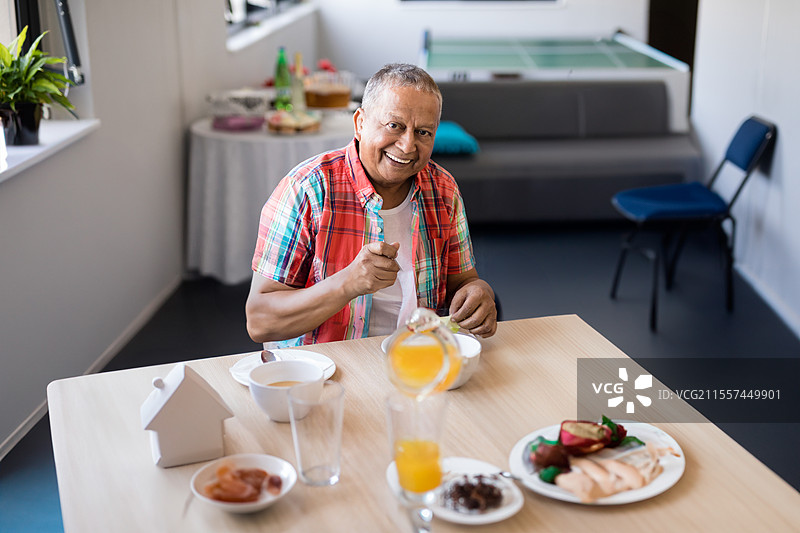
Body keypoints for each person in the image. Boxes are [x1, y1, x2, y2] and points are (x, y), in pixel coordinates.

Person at [246, 63, 496, 346]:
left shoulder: (443, 189)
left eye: (423, 132)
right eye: (394, 126)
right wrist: (347, 283)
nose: (407, 145)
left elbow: (462, 283)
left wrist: (479, 293)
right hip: (327, 365)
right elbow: (260, 321)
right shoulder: (306, 189)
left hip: (419, 357)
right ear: (360, 123)